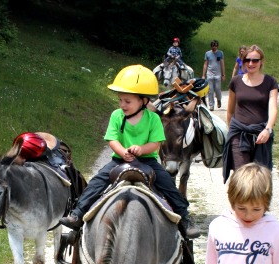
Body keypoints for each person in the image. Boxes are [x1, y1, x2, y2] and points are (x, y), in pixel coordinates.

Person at [59, 64, 200, 239]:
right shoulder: (116, 116)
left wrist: (141, 149)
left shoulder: (153, 118)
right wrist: (122, 151)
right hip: (119, 160)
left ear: (143, 101)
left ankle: (184, 218)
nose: (122, 105)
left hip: (147, 161)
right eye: (121, 100)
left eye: (128, 101)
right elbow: (112, 139)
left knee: (168, 185)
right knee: (97, 182)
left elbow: (156, 144)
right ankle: (78, 213)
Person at [223, 44, 279, 183]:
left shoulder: (270, 82)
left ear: (261, 61)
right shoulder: (236, 82)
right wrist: (231, 131)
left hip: (261, 134)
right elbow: (230, 110)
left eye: (255, 60)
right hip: (239, 134)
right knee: (242, 177)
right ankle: (240, 205)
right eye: (247, 60)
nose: (250, 63)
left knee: (260, 178)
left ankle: (257, 205)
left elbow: (273, 108)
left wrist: (268, 129)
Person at [202, 39, 225, 110]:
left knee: (218, 89)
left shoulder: (220, 53)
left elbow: (222, 64)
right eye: (213, 46)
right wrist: (203, 75)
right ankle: (211, 105)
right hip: (209, 74)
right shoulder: (207, 53)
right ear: (211, 46)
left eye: (215, 46)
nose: (214, 47)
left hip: (218, 74)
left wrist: (223, 74)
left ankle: (218, 99)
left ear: (217, 46)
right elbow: (205, 64)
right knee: (210, 90)